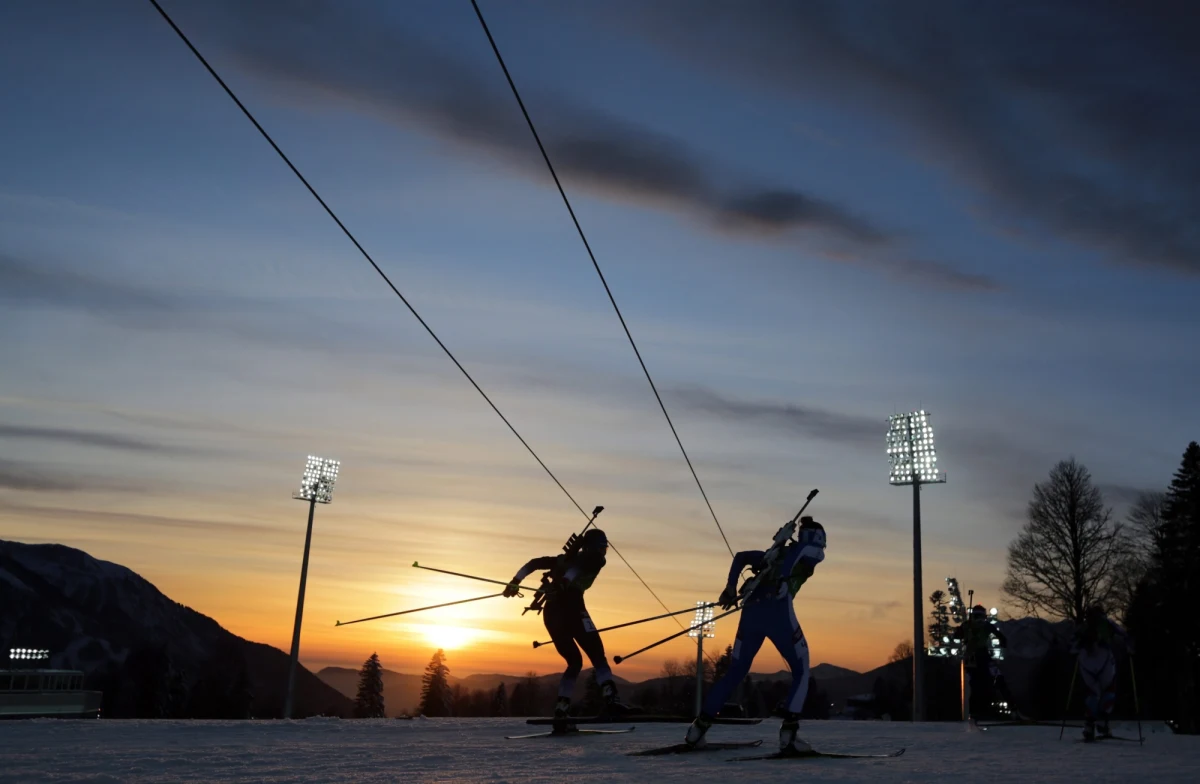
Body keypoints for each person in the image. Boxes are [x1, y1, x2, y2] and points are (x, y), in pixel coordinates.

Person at [684, 516, 827, 754]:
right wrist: (784, 576)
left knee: (736, 671)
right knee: (801, 668)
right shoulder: (810, 551)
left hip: (751, 612)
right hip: (778, 610)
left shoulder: (772, 555)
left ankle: (697, 730)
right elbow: (803, 551)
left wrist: (730, 587)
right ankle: (789, 735)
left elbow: (741, 557)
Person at [503, 528, 626, 732]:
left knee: (574, 662)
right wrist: (565, 582)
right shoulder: (595, 560)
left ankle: (561, 709)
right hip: (573, 607)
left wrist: (515, 581)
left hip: (551, 613)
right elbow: (579, 567)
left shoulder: (563, 560)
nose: (603, 553)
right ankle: (611, 701)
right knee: (597, 655)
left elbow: (534, 563)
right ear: (595, 548)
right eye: (602, 548)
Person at [1071, 604, 1129, 742]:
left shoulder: (1083, 627)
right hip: (1104, 661)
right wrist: (1130, 647)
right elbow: (1124, 634)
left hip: (1087, 663)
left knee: (1093, 693)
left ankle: (1089, 726)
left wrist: (1076, 651)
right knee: (1108, 690)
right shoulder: (1107, 623)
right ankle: (1102, 723)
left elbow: (1072, 646)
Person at [959, 605, 1010, 720]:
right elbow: (958, 635)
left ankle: (979, 711)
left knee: (984, 682)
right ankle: (977, 711)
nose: (979, 619)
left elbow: (1001, 638)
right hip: (974, 657)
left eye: (981, 616)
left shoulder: (978, 625)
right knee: (979, 684)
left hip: (979, 656)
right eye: (977, 616)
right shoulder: (969, 625)